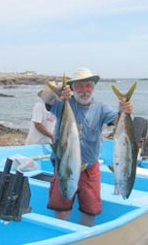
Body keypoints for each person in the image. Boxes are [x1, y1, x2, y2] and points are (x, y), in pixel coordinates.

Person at [46, 67, 133, 226]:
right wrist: (56, 93)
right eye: (79, 86)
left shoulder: (101, 107)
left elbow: (117, 122)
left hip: (90, 168)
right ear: (72, 88)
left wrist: (124, 112)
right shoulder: (62, 104)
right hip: (64, 165)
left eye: (88, 86)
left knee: (90, 210)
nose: (84, 90)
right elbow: (44, 97)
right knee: (61, 208)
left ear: (93, 88)